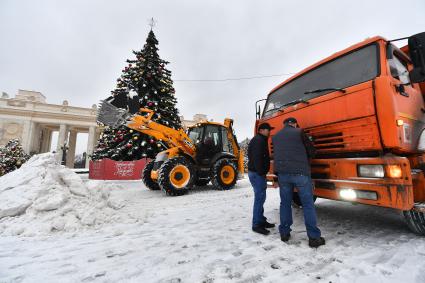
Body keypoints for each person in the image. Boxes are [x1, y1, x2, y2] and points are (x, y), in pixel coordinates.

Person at [272, 117, 325, 248]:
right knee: (307, 204)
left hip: (283, 175)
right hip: (300, 173)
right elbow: (312, 151)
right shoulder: (300, 132)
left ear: (284, 125)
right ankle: (313, 237)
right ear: (294, 124)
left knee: (284, 204)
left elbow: (276, 155)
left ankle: (284, 233)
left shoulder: (276, 136)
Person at [248, 123, 275, 235]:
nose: (270, 132)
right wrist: (261, 172)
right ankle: (256, 225)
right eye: (268, 130)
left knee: (261, 197)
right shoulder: (258, 141)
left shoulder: (260, 139)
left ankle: (261, 220)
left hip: (256, 173)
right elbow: (257, 158)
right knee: (259, 199)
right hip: (257, 174)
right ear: (262, 130)